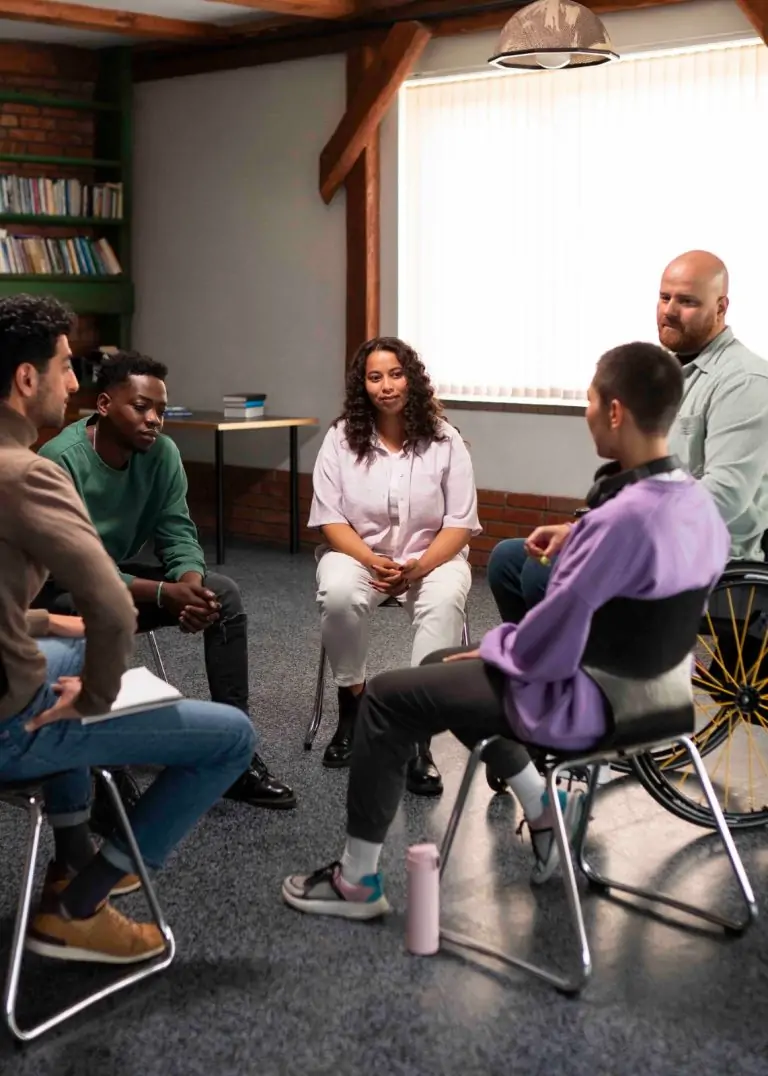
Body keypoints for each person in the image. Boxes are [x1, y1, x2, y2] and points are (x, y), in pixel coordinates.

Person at [281, 341, 730, 917]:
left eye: (591, 400)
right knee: (440, 667)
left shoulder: (617, 519)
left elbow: (549, 644)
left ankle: (356, 883)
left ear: (615, 412)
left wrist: (494, 649)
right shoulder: (694, 503)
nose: (588, 412)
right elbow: (652, 579)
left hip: (589, 702)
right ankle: (543, 805)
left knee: (391, 696)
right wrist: (582, 538)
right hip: (664, 697)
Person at [0, 293, 257, 963]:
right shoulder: (33, 472)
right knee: (232, 737)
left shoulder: (150, 458)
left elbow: (172, 537)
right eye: (64, 367)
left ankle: (71, 853)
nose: (74, 383)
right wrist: (93, 697)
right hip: (9, 719)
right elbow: (111, 607)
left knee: (67, 648)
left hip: (19, 660)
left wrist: (43, 621)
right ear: (27, 380)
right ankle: (80, 909)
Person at [36, 350, 295, 814]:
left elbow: (177, 532)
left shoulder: (163, 454)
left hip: (120, 580)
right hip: (61, 590)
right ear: (104, 405)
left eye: (160, 409)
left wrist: (191, 590)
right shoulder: (60, 460)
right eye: (141, 407)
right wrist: (161, 593)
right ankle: (99, 777)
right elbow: (71, 564)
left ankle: (235, 756)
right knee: (82, 606)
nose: (154, 419)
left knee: (225, 595)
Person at [488, 250, 768, 624]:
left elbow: (724, 496)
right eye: (665, 297)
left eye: (686, 301)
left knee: (548, 572)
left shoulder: (744, 382)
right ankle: (539, 673)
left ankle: (589, 676)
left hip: (709, 556)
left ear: (721, 307)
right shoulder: (662, 372)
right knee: (508, 559)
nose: (669, 310)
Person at [308, 336, 481, 796]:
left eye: (396, 374)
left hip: (432, 558)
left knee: (445, 602)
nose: (386, 385)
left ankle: (417, 736)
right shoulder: (341, 438)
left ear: (413, 378)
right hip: (359, 555)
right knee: (340, 593)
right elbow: (329, 518)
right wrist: (370, 559)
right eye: (374, 377)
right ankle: (353, 708)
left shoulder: (446, 440)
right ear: (362, 386)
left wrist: (420, 567)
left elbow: (460, 524)